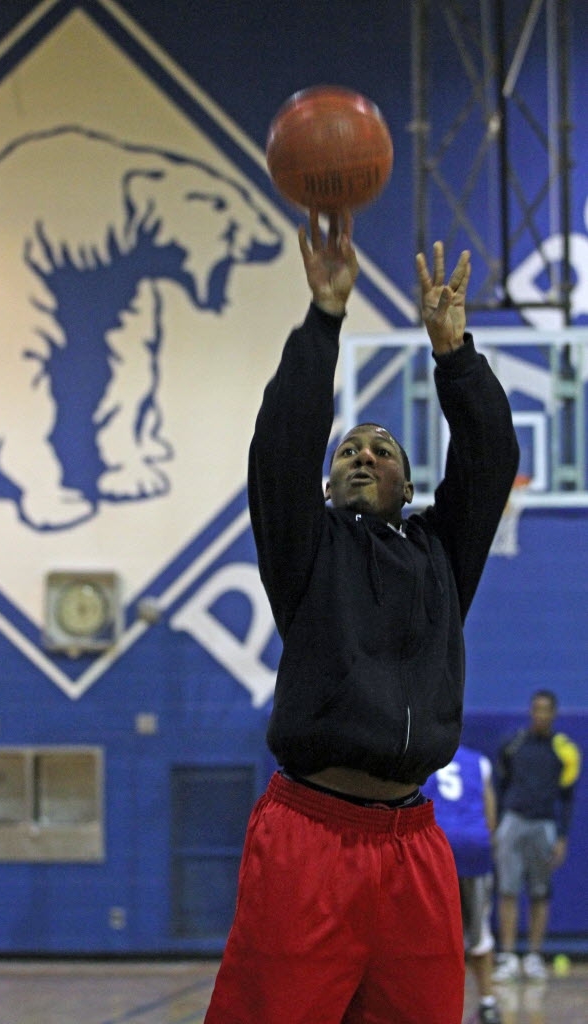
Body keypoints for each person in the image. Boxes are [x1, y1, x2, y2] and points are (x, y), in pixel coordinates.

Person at [203, 210, 519, 1024]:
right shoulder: (305, 551)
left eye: (380, 449)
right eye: (347, 450)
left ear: (408, 488)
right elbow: (281, 444)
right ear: (326, 483)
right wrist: (324, 318)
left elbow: (489, 463)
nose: (360, 454)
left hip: (413, 848)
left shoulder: (441, 556)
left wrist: (455, 358)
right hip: (309, 837)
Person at [492, 689, 582, 983]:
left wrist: (562, 836)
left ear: (554, 714)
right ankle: (506, 956)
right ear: (531, 711)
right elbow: (500, 785)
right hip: (513, 823)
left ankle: (533, 956)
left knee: (540, 892)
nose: (540, 714)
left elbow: (567, 798)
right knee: (508, 890)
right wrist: (500, 825)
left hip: (544, 826)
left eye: (546, 710)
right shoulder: (513, 745)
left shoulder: (564, 750)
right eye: (536, 709)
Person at [422, 744, 503, 1024]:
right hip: (474, 849)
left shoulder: (425, 758)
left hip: (437, 849)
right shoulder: (479, 762)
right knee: (479, 934)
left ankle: (432, 1005)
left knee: (432, 935)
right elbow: (491, 818)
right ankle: (488, 1004)